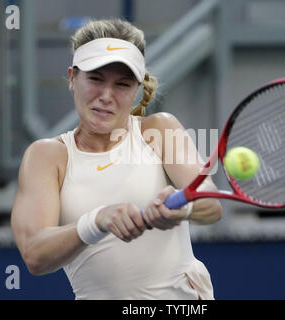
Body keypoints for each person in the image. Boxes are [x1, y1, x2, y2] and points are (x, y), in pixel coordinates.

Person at [11, 18, 222, 300]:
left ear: (136, 90)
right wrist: (96, 221)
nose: (106, 96)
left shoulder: (159, 129)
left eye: (122, 84)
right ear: (72, 78)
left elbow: (209, 202)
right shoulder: (45, 156)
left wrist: (182, 208)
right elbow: (35, 255)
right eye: (95, 79)